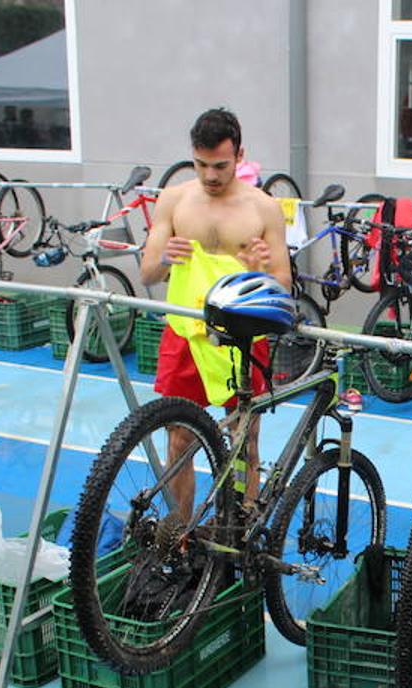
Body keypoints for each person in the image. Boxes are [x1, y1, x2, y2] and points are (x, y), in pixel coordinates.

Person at [139, 108, 291, 512]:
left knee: (245, 440)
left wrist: (260, 270)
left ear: (240, 155)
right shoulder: (173, 200)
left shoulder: (263, 208)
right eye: (201, 164)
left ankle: (241, 528)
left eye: (220, 165)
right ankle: (182, 534)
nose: (210, 175)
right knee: (179, 438)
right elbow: (146, 273)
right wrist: (165, 259)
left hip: (241, 338)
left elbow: (284, 284)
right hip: (186, 333)